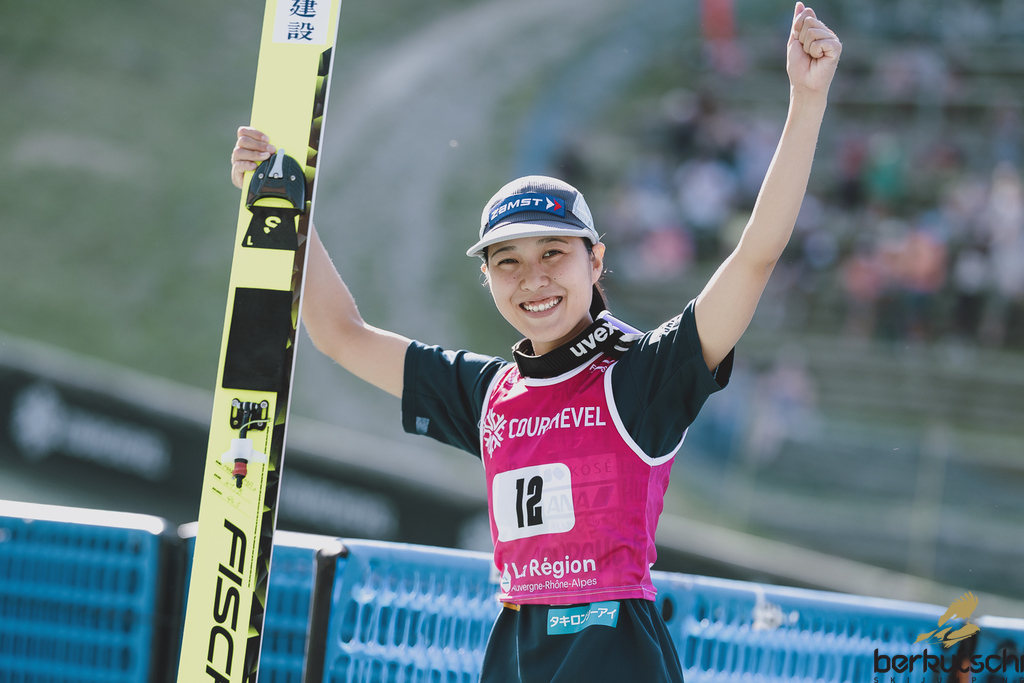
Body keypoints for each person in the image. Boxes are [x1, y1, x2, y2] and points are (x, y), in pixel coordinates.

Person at [230, 3, 840, 681]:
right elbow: (340, 334)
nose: (533, 278)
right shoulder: (489, 394)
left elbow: (754, 257)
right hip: (516, 652)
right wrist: (286, 207)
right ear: (487, 277)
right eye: (509, 262)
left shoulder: (642, 374)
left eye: (554, 253)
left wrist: (806, 100)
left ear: (596, 261)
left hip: (616, 655)